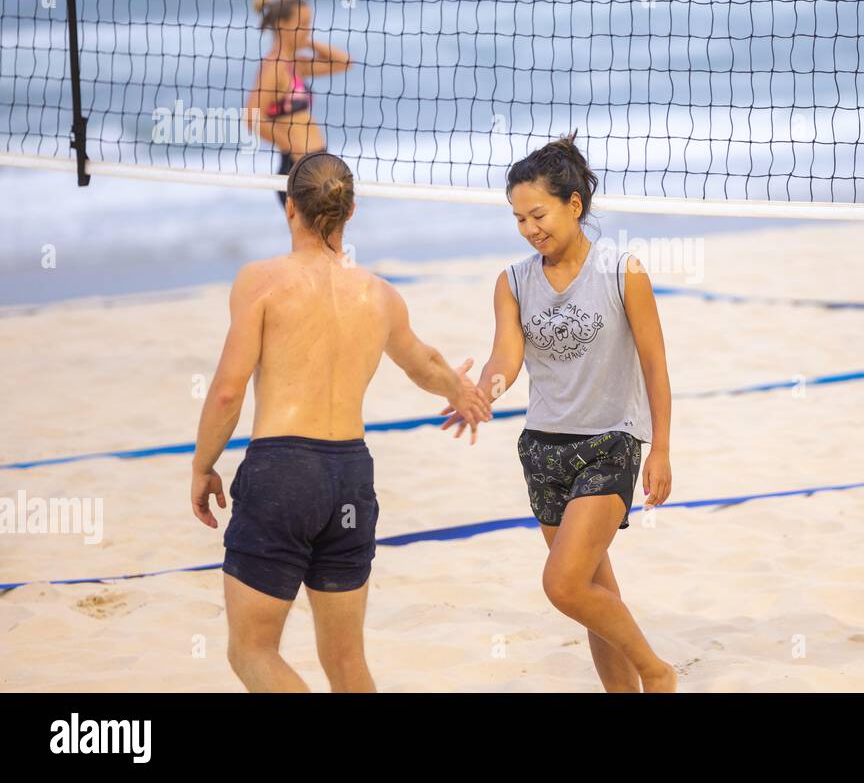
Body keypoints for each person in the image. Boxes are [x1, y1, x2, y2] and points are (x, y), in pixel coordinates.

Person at [190, 152, 492, 691]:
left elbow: (227, 392)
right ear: (351, 211)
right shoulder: (378, 294)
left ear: (289, 208)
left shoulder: (259, 282)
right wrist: (463, 392)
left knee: (253, 650)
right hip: (350, 478)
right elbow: (423, 362)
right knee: (347, 661)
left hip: (282, 470)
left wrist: (202, 465)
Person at [441, 131, 677, 692]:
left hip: (610, 442)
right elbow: (507, 356)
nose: (530, 229)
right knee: (596, 592)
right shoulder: (513, 281)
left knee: (564, 585)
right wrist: (480, 392)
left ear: (574, 204)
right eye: (519, 218)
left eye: (538, 214)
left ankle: (658, 673)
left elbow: (655, 366)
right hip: (543, 450)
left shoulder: (623, 271)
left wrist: (661, 448)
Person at [245, 0, 352, 206]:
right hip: (298, 169)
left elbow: (344, 62)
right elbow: (251, 117)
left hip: (317, 163)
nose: (307, 28)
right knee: (313, 238)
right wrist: (292, 147)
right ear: (282, 25)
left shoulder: (294, 64)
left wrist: (309, 42)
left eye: (309, 23)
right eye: (302, 24)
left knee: (326, 237)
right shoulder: (273, 66)